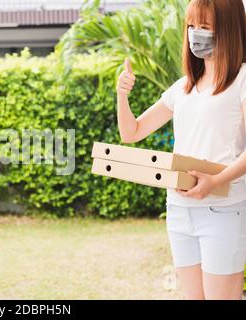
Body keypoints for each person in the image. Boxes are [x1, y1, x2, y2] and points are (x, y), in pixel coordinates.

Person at [116, 0, 246, 299]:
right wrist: (122, 94)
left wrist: (216, 181)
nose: (195, 34)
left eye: (205, 27)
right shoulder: (183, 86)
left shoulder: (242, 80)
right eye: (192, 26)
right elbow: (131, 132)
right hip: (179, 211)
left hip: (223, 211)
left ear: (228, 30)